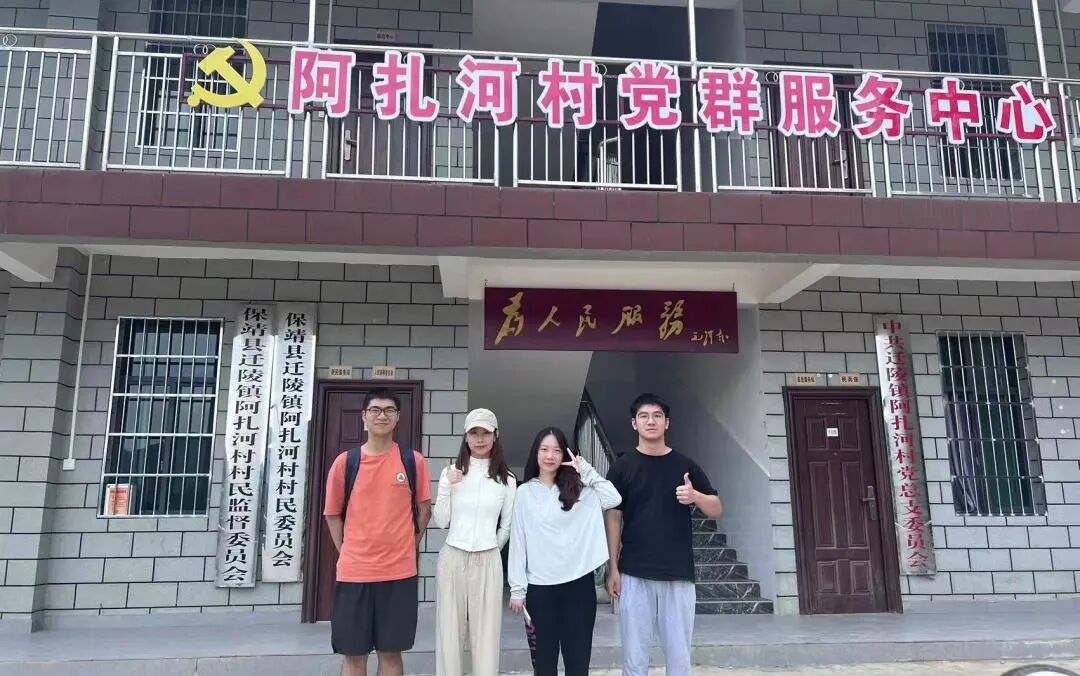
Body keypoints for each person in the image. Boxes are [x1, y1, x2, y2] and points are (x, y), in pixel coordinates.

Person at [604, 393, 722, 676]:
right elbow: (613, 516)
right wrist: (613, 567)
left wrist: (695, 496)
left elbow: (716, 508)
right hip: (634, 571)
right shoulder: (622, 467)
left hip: (678, 574)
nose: (651, 421)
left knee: (679, 657)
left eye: (657, 416)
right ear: (634, 423)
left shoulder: (685, 466)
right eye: (643, 416)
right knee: (634, 657)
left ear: (667, 423)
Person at [323, 387, 432, 676]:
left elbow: (424, 510)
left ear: (398, 417)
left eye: (389, 410)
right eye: (375, 410)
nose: (382, 415)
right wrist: (347, 551)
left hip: (399, 574)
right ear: (364, 416)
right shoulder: (345, 463)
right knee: (353, 656)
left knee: (391, 653)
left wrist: (408, 544)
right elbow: (332, 514)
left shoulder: (413, 461)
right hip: (354, 575)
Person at [508, 427, 621, 676]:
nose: (550, 456)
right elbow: (518, 542)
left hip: (578, 587)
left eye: (556, 450)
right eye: (544, 449)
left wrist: (586, 470)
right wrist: (517, 589)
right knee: (544, 665)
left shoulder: (580, 490)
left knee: (578, 665)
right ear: (535, 453)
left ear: (565, 455)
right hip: (540, 589)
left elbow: (613, 498)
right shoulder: (525, 493)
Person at [432, 408, 517, 676]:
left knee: (486, 637)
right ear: (465, 437)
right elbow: (441, 521)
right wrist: (447, 486)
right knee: (449, 635)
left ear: (495, 436)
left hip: (488, 558)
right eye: (474, 433)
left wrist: (491, 549)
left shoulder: (507, 480)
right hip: (453, 556)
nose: (480, 439)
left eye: (485, 433)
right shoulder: (452, 473)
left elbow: (506, 525)